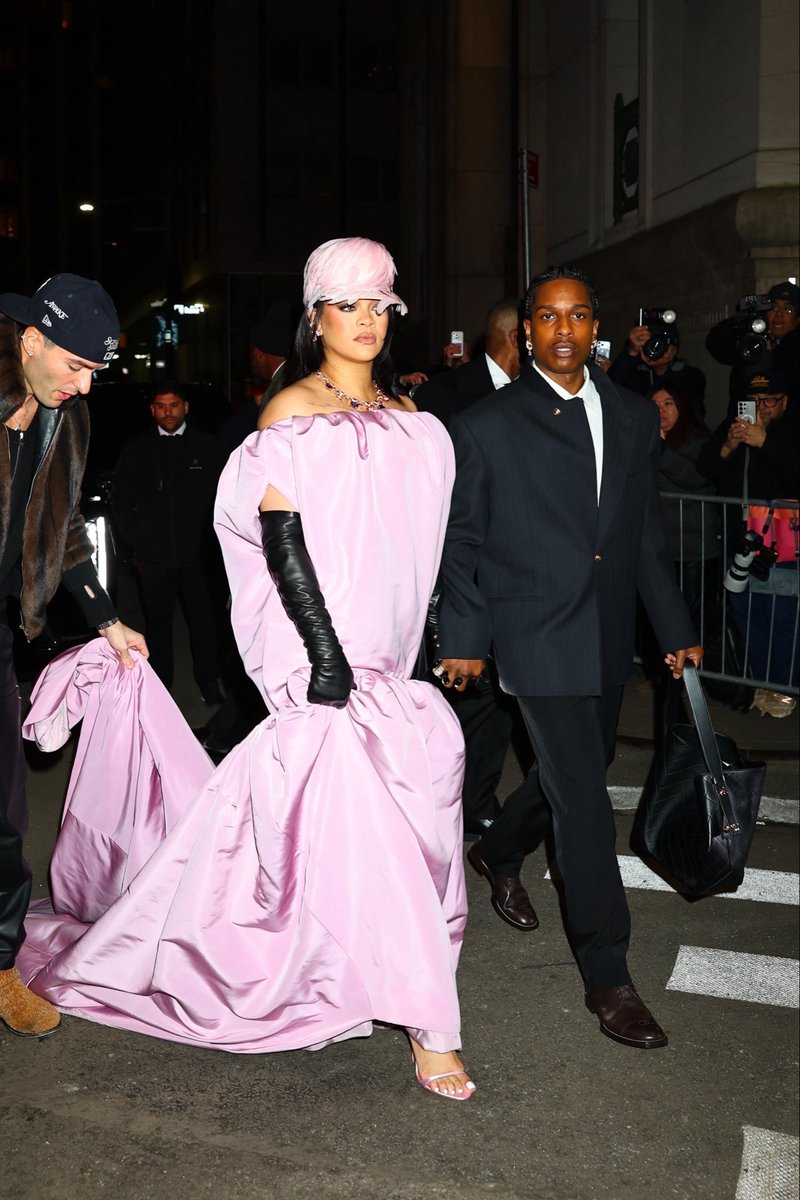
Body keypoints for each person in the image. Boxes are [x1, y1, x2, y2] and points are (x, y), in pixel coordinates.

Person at [17, 237, 475, 1101]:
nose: (366, 320)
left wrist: (428, 636)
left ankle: (339, 973)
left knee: (396, 836)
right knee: (377, 840)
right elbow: (282, 544)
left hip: (394, 674)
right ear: (316, 317)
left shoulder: (416, 421)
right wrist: (325, 657)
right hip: (326, 675)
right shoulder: (290, 413)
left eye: (379, 304)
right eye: (348, 305)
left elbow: (423, 547)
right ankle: (432, 1027)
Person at [436, 264, 702, 1051]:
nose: (562, 331)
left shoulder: (627, 415)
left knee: (569, 775)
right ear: (526, 331)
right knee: (586, 801)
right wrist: (465, 638)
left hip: (607, 631)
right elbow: (463, 542)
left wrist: (673, 624)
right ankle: (609, 975)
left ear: (595, 328)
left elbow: (641, 533)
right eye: (547, 318)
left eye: (578, 316)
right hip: (533, 634)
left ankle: (498, 848)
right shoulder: (486, 425)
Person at [0, 273, 148, 1039]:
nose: (84, 383)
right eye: (75, 365)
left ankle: (1, 968)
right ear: (30, 340)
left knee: (5, 812)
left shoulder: (70, 420)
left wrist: (106, 621)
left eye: (96, 370)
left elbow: (60, 536)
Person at [415, 298, 529, 842]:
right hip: (460, 572)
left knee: (502, 704)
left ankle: (479, 802)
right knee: (459, 700)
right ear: (514, 339)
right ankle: (434, 802)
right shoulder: (444, 397)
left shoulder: (540, 397)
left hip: (518, 574)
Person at [112, 383, 229, 705]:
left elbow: (228, 500)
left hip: (201, 560)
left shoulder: (210, 448)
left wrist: (219, 548)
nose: (168, 412)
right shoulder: (136, 449)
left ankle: (209, 682)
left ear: (186, 407)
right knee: (157, 628)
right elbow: (120, 502)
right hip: (153, 560)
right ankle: (161, 688)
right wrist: (135, 544)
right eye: (161, 406)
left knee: (205, 625)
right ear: (152, 410)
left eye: (174, 405)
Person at [697, 367, 799, 717]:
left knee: (782, 616)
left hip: (781, 545)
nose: (762, 407)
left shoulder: (790, 431)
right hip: (738, 541)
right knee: (747, 613)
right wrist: (728, 446)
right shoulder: (734, 428)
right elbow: (705, 469)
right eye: (754, 401)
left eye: (769, 400)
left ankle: (784, 688)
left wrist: (765, 443)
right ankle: (760, 684)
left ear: (784, 402)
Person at [649, 379, 721, 643]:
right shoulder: (644, 442)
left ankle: (692, 681)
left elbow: (695, 477)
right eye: (654, 405)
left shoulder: (699, 440)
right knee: (661, 621)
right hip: (659, 550)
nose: (661, 410)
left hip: (694, 551)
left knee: (692, 623)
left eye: (668, 403)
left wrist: (660, 447)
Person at [705, 280, 800, 417]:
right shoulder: (752, 341)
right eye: (773, 307)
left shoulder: (794, 351)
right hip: (745, 421)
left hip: (785, 429)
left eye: (788, 309)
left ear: (797, 319)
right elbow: (715, 343)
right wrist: (743, 320)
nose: (779, 314)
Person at [608, 313, 706, 423]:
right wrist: (631, 352)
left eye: (661, 343)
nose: (656, 347)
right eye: (651, 343)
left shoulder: (691, 376)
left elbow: (694, 414)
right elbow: (609, 390)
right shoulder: (633, 375)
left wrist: (662, 366)